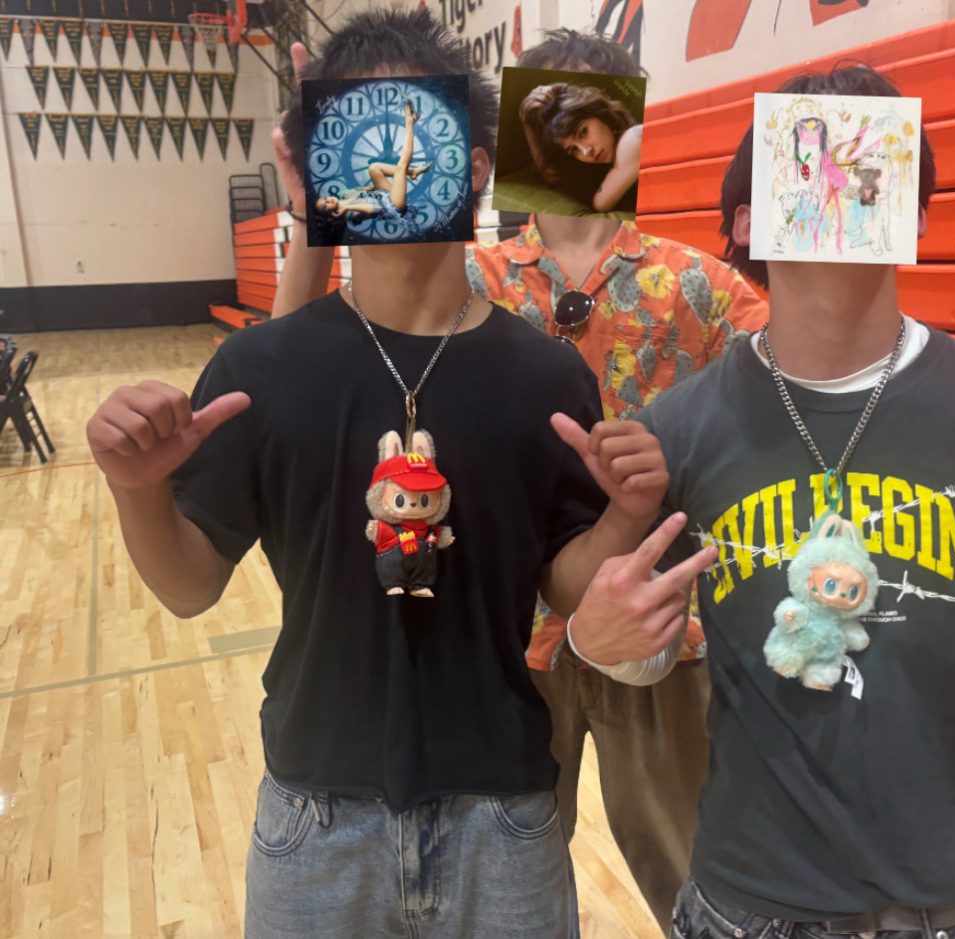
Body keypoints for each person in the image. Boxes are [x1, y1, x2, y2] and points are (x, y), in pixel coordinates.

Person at [565, 65, 955, 938]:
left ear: (916, 216)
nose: (840, 180)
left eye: (874, 167)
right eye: (812, 160)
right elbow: (641, 646)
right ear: (744, 222)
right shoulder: (680, 425)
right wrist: (597, 643)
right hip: (750, 900)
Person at [86, 11, 673, 938]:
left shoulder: (546, 374)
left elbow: (563, 580)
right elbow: (191, 585)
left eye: (416, 124)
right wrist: (137, 488)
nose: (388, 154)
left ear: (477, 164)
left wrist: (622, 519)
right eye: (356, 132)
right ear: (322, 168)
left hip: (505, 810)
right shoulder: (260, 372)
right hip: (315, 815)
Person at [270, 26, 768, 935]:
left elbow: (787, 392)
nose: (574, 139)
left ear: (629, 135)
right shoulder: (468, 274)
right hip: (506, 636)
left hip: (657, 625)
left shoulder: (701, 286)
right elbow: (303, 355)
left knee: (689, 865)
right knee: (513, 866)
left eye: (596, 119)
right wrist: (314, 189)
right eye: (552, 114)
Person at [519, 80, 643, 213]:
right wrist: (527, 122)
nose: (586, 151)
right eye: (573, 150)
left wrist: (564, 89)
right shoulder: (592, 171)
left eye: (583, 132)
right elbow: (552, 175)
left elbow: (601, 204)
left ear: (600, 113)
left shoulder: (633, 139)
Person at [315, 100, 430, 222]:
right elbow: (373, 209)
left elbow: (368, 190)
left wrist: (377, 183)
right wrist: (347, 207)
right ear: (330, 214)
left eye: (325, 198)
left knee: (373, 168)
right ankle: (409, 122)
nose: (328, 200)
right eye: (325, 205)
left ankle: (411, 172)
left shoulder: (344, 195)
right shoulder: (348, 215)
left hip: (385, 194)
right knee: (401, 166)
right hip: (392, 206)